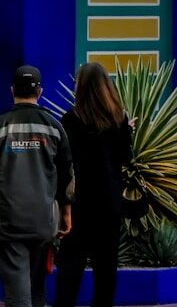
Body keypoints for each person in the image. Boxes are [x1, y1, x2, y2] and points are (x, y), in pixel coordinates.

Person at [53, 63, 133, 307]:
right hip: (109, 204)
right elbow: (125, 158)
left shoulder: (70, 120)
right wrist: (127, 132)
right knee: (106, 268)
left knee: (70, 266)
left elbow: (63, 163)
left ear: (81, 87)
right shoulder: (118, 119)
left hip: (79, 203)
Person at [0, 65, 73, 307]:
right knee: (38, 290)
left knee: (18, 295)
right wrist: (66, 213)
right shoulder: (54, 127)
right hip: (44, 222)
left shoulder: (2, 126)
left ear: (12, 91)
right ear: (39, 91)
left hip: (9, 222)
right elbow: (66, 175)